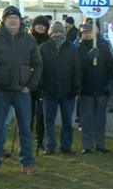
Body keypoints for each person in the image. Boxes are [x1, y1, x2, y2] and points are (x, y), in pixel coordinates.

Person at [0, 6, 43, 177]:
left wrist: (30, 86)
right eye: (9, 17)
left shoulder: (29, 39)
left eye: (16, 17)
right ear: (3, 20)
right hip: (0, 91)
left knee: (25, 128)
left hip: (21, 91)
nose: (13, 20)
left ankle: (27, 163)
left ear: (20, 21)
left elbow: (38, 64)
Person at [40, 21, 81, 155]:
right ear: (50, 33)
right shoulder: (43, 48)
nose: (57, 34)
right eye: (54, 32)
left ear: (64, 33)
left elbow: (77, 69)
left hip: (68, 91)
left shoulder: (72, 48)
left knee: (67, 121)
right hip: (49, 91)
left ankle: (66, 145)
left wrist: (75, 87)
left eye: (60, 32)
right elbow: (40, 69)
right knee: (49, 122)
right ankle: (49, 146)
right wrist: (41, 87)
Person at [77, 23, 113, 154]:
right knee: (86, 119)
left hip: (101, 89)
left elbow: (111, 66)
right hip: (86, 89)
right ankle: (87, 145)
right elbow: (76, 67)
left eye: (89, 31)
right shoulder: (78, 48)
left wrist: (110, 82)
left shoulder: (103, 48)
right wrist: (88, 57)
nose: (87, 34)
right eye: (84, 32)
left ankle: (100, 144)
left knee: (100, 119)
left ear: (95, 32)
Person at [29, 15, 50, 151]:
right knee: (28, 114)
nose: (41, 27)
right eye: (38, 24)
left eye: (43, 25)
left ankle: (39, 140)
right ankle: (26, 139)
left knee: (42, 115)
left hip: (43, 82)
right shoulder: (28, 40)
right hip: (29, 82)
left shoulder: (48, 42)